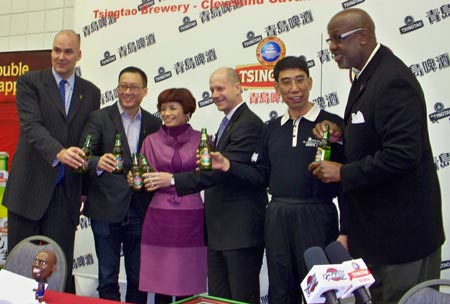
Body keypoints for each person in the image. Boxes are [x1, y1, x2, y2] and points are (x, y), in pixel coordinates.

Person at [308, 8, 445, 304]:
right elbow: (372, 137)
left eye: (337, 39)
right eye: (330, 40)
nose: (331, 47)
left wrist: (342, 172)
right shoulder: (366, 76)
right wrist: (340, 134)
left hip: (402, 240)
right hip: (375, 236)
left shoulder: (393, 80)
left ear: (363, 37)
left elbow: (402, 154)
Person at [209, 57, 345, 304]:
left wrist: (346, 230)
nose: (294, 88)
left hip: (316, 213)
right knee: (280, 289)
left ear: (310, 82)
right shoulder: (271, 128)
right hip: (277, 215)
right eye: (286, 82)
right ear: (277, 88)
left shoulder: (332, 124)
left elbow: (348, 178)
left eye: (300, 80)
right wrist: (228, 166)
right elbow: (260, 175)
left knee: (321, 291)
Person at [147, 67, 268, 304]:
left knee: (241, 298)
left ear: (238, 87)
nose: (215, 94)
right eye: (212, 89)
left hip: (239, 231)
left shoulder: (248, 124)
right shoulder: (228, 122)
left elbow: (218, 173)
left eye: (220, 88)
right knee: (218, 299)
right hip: (219, 230)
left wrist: (171, 179)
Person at [2, 29, 100, 293]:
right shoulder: (30, 82)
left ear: (79, 55)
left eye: (68, 51)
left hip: (65, 191)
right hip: (29, 188)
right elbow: (31, 127)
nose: (61, 56)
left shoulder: (91, 92)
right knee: (20, 266)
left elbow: (90, 139)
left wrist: (84, 187)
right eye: (56, 50)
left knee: (60, 267)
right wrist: (59, 152)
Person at [79, 66, 161, 304]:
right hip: (105, 208)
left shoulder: (154, 124)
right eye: (122, 86)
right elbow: (82, 156)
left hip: (141, 209)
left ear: (145, 91)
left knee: (139, 278)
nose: (127, 91)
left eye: (133, 87)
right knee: (106, 276)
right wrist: (97, 161)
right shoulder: (99, 118)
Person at [129, 88, 207, 304]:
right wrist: (136, 179)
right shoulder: (150, 141)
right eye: (163, 109)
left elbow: (207, 177)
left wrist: (172, 179)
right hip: (158, 215)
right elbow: (143, 179)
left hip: (191, 216)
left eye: (173, 108)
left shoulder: (202, 139)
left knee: (188, 279)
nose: (166, 113)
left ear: (187, 111)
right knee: (160, 281)